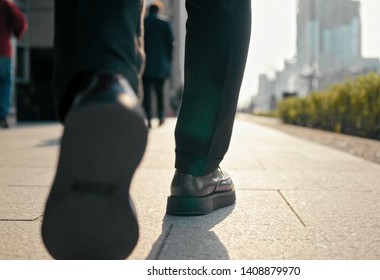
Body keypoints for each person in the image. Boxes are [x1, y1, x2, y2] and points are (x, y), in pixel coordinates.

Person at [42, 0, 251, 259]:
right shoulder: (163, 24)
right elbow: (169, 43)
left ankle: (104, 81)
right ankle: (198, 169)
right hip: (161, 68)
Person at [0, 0, 27, 129]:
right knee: (5, 82)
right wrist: (17, 34)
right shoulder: (5, 4)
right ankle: (2, 116)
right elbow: (21, 21)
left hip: (1, 49)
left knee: (5, 82)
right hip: (2, 49)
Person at [142, 2, 174, 128]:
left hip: (146, 65)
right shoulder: (164, 24)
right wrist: (168, 60)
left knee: (147, 94)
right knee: (160, 93)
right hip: (161, 65)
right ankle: (161, 117)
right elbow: (170, 44)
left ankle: (148, 118)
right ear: (158, 11)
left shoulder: (144, 23)